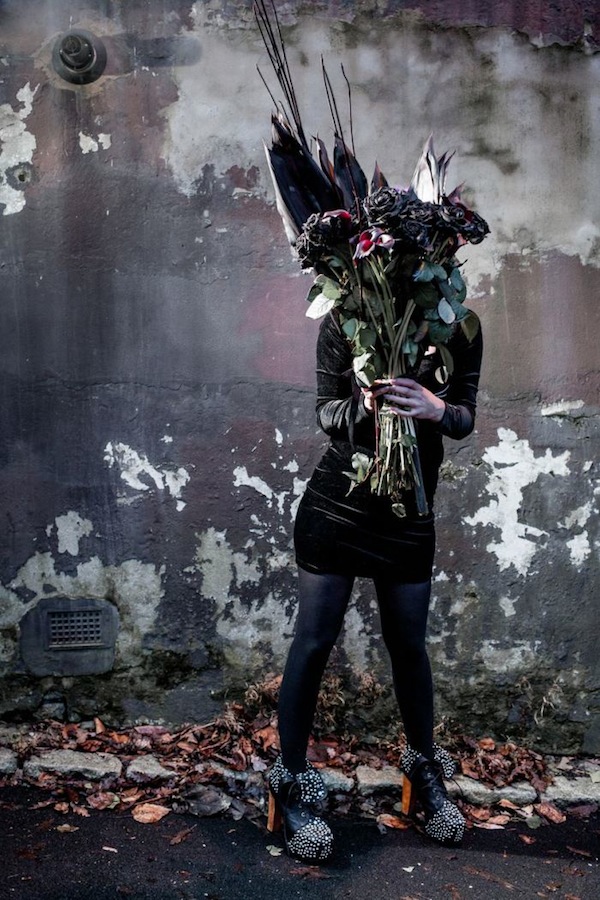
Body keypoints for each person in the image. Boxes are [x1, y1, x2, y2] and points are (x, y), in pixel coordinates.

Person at [266, 307, 483, 861]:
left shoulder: (459, 325)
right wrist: (364, 406)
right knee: (314, 643)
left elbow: (465, 416)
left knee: (409, 646)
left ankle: (422, 770)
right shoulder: (346, 318)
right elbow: (326, 413)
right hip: (337, 508)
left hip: (409, 513)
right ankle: (289, 779)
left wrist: (437, 409)